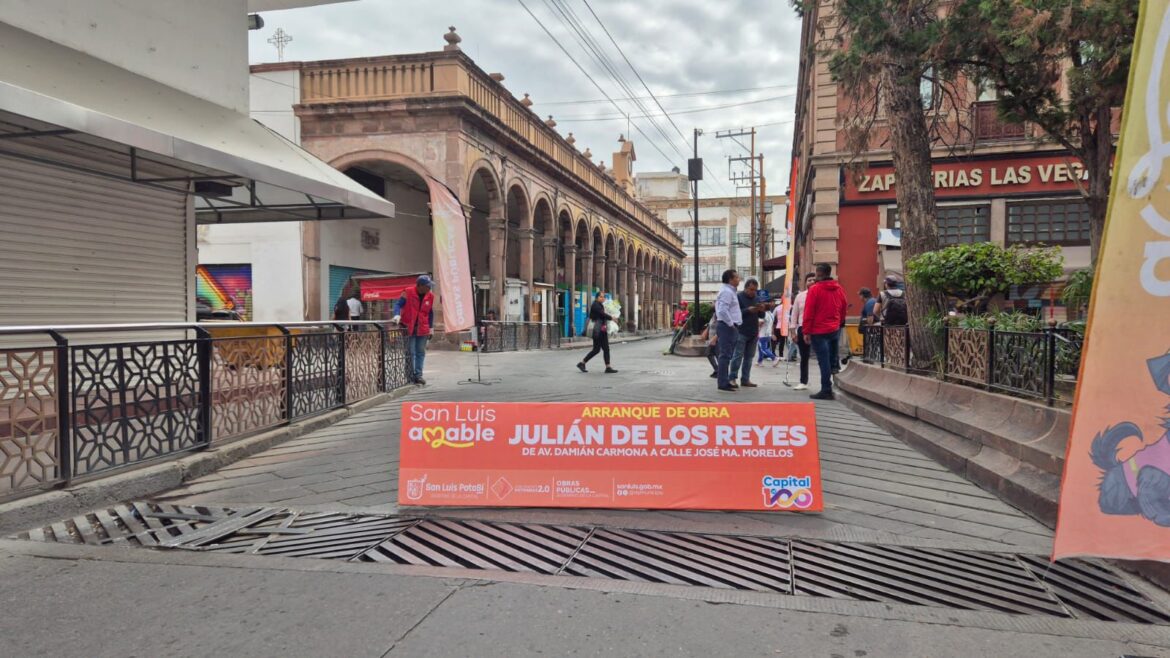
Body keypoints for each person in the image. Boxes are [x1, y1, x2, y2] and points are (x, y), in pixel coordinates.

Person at [803, 263, 848, 400]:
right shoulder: (839, 288)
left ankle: (826, 389)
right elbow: (844, 306)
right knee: (832, 359)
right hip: (834, 328)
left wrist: (806, 331)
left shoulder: (815, 289)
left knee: (823, 361)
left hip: (819, 330)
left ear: (819, 273)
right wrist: (839, 322)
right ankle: (833, 383)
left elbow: (809, 311)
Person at [392, 275, 435, 385]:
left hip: (423, 328)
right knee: (410, 352)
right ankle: (410, 376)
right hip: (408, 327)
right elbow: (398, 305)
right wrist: (397, 315)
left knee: (420, 352)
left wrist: (431, 328)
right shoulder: (407, 292)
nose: (429, 288)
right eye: (427, 286)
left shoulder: (430, 296)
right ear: (420, 286)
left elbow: (430, 312)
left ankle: (418, 375)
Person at [730, 278, 770, 387]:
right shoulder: (738, 297)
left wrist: (761, 309)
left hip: (753, 332)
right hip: (741, 331)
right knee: (737, 356)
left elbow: (761, 315)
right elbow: (735, 313)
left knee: (749, 357)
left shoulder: (757, 298)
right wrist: (748, 310)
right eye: (751, 289)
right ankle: (732, 378)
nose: (753, 292)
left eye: (755, 290)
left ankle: (745, 379)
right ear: (746, 288)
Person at [714, 269, 742, 392]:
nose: (739, 279)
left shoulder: (730, 291)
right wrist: (731, 324)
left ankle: (724, 380)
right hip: (727, 326)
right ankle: (722, 383)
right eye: (737, 277)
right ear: (730, 279)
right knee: (725, 355)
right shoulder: (727, 292)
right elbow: (722, 310)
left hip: (729, 326)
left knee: (727, 355)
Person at [577, 291, 618, 374]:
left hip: (601, 330)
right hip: (597, 330)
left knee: (602, 349)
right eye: (601, 297)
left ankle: (607, 367)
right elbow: (602, 314)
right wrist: (611, 317)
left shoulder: (600, 305)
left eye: (604, 297)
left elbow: (603, 315)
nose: (603, 298)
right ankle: (582, 363)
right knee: (599, 349)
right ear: (597, 297)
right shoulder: (595, 305)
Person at [788, 273, 816, 389]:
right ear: (805, 283)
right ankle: (803, 381)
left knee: (823, 356)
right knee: (804, 356)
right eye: (809, 280)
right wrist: (793, 332)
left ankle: (826, 382)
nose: (812, 282)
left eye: (814, 280)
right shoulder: (800, 296)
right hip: (803, 328)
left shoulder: (822, 295)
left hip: (818, 329)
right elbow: (794, 315)